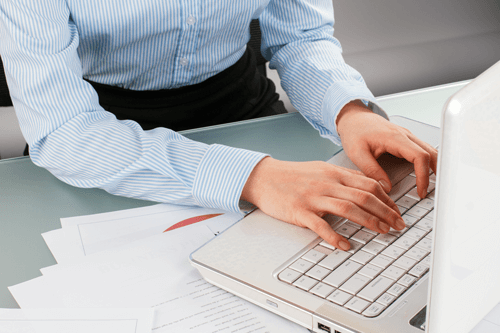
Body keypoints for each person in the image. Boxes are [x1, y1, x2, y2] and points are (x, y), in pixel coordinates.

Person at [0, 0, 437, 251]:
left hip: (240, 105)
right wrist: (253, 176)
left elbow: (301, 36)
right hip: (101, 129)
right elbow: (64, 130)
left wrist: (349, 111)